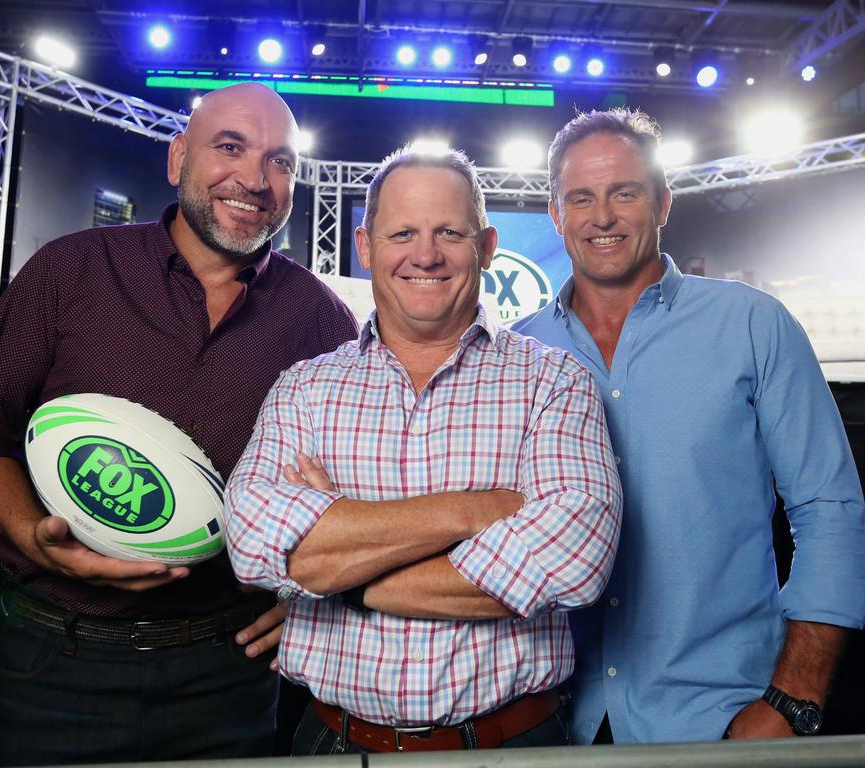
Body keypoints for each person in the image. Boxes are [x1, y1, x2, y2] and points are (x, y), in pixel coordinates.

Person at [0, 82, 359, 766]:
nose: (254, 178)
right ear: (177, 158)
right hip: (58, 666)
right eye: (230, 147)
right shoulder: (72, 271)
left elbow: (359, 488)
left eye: (280, 162)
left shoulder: (321, 320)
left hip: (230, 676)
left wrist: (319, 598)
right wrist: (28, 536)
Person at [225, 145, 622, 754]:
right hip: (331, 743)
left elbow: (573, 560)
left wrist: (342, 567)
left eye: (449, 233)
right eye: (403, 232)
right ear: (365, 247)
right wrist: (473, 511)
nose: (426, 255)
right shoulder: (304, 387)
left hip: (510, 746)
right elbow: (254, 546)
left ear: (486, 247)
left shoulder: (555, 381)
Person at [514, 108, 865, 744]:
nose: (602, 217)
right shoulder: (515, 352)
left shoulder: (753, 324)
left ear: (663, 203)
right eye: (581, 198)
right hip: (550, 722)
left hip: (722, 719)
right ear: (555, 214)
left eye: (624, 192)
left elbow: (831, 508)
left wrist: (794, 701)